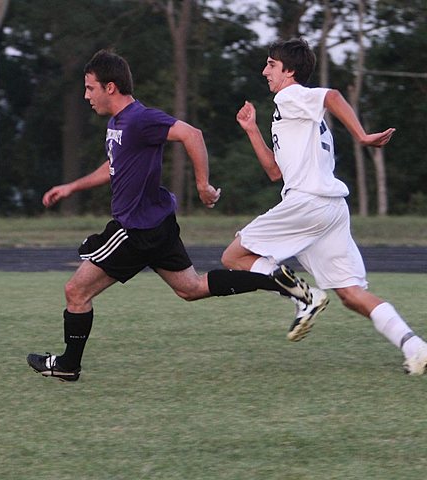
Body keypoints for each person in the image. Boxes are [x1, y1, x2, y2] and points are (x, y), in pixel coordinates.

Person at [26, 49, 325, 382]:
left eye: (90, 88)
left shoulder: (140, 118)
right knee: (192, 288)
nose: (86, 96)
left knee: (75, 292)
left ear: (110, 87)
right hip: (156, 225)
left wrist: (202, 185)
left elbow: (191, 134)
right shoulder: (118, 124)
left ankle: (68, 366)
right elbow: (115, 165)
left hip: (134, 229)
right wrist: (72, 187)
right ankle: (280, 282)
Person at [224, 38, 427, 374]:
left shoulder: (290, 96)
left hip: (307, 203)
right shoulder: (292, 113)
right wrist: (251, 130)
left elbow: (331, 96)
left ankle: (304, 297)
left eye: (271, 65)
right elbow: (275, 171)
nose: (265, 71)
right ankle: (415, 347)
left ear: (289, 71)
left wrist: (361, 136)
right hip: (331, 209)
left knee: (234, 256)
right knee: (351, 294)